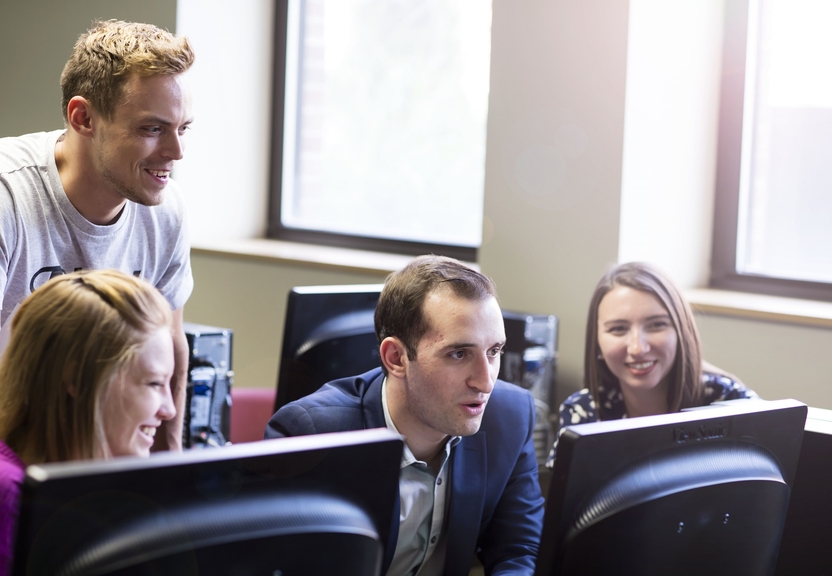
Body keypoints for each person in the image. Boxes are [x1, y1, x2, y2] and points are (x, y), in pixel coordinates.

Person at [265, 255, 545, 576]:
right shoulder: (311, 436)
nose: (485, 381)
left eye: (493, 351)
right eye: (458, 354)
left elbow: (518, 549)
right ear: (396, 358)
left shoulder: (510, 417)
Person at [0, 20, 195, 451]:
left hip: (89, 453)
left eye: (181, 129)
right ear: (83, 117)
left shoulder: (165, 210)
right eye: (152, 129)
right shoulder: (8, 198)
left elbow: (171, 349)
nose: (175, 153)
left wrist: (170, 473)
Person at [0, 269, 176, 575]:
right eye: (153, 383)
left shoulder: (76, 488)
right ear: (77, 379)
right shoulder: (11, 496)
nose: (169, 410)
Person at [546, 261, 758, 468]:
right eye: (618, 329)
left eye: (657, 325)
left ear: (681, 332)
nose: (638, 348)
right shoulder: (584, 412)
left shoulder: (732, 404)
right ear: (597, 342)